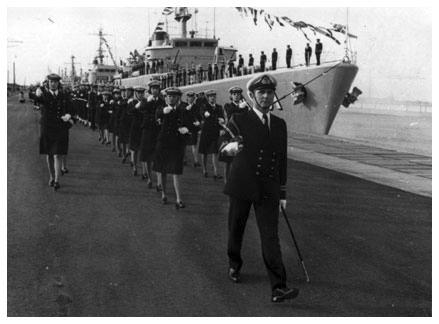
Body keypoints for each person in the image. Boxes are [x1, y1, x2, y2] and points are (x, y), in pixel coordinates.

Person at [219, 73, 299, 303]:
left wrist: (282, 193)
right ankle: (234, 264)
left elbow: (282, 160)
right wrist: (230, 148)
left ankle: (278, 286)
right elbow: (222, 148)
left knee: (270, 236)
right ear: (252, 95)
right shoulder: (238, 119)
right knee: (236, 228)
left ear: (274, 95)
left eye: (269, 92)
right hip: (242, 184)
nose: (265, 96)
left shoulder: (280, 125)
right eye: (261, 92)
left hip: (268, 188)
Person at [35, 73, 74, 191]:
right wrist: (37, 91)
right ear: (48, 83)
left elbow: (72, 108)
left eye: (55, 82)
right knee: (50, 154)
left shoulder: (64, 95)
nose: (53, 84)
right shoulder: (44, 95)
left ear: (58, 83)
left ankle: (57, 180)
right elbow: (35, 98)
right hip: (47, 127)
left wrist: (69, 115)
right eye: (51, 82)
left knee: (58, 154)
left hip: (60, 128)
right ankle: (52, 176)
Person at [152, 87, 189, 209]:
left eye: (174, 96)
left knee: (175, 172)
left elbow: (186, 124)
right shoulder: (161, 109)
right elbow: (157, 119)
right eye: (169, 96)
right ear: (165, 98)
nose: (171, 98)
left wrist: (185, 130)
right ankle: (164, 194)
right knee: (162, 170)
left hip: (176, 144)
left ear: (178, 98)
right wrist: (164, 112)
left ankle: (179, 199)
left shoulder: (181, 111)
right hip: (163, 144)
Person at [139, 80, 165, 188]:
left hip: (158, 131)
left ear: (159, 90)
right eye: (153, 88)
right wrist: (148, 102)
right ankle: (150, 178)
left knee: (158, 156)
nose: (155, 90)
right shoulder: (145, 100)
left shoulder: (162, 101)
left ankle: (159, 181)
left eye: (157, 88)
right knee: (148, 156)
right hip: (148, 131)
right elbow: (141, 109)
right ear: (150, 90)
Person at [221, 86, 249, 182]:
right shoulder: (228, 106)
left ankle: (237, 180)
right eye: (234, 94)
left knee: (240, 160)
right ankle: (226, 180)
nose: (236, 96)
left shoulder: (245, 106)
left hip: (241, 135)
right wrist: (240, 108)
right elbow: (231, 114)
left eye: (238, 94)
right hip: (231, 135)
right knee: (228, 160)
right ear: (231, 96)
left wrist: (247, 108)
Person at [198, 89, 224, 180]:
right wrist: (218, 119)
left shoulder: (219, 107)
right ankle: (204, 170)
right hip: (206, 131)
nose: (212, 98)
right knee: (204, 152)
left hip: (215, 132)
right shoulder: (204, 106)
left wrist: (221, 127)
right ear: (208, 98)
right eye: (210, 96)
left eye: (214, 96)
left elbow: (222, 118)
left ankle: (216, 172)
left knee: (214, 152)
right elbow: (204, 114)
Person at [127, 86, 145, 175]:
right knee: (134, 150)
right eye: (139, 93)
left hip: (143, 128)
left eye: (142, 93)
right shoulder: (132, 102)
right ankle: (134, 167)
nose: (141, 95)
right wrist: (136, 108)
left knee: (143, 150)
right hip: (134, 129)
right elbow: (129, 112)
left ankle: (144, 171)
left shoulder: (146, 102)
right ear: (136, 94)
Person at [181, 91, 201, 167]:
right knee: (184, 145)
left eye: (192, 97)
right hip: (185, 127)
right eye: (189, 97)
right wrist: (185, 110)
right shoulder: (183, 106)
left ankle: (196, 161)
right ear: (187, 98)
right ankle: (184, 159)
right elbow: (182, 116)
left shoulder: (196, 107)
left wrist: (198, 122)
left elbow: (199, 116)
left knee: (194, 144)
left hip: (193, 128)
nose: (191, 99)